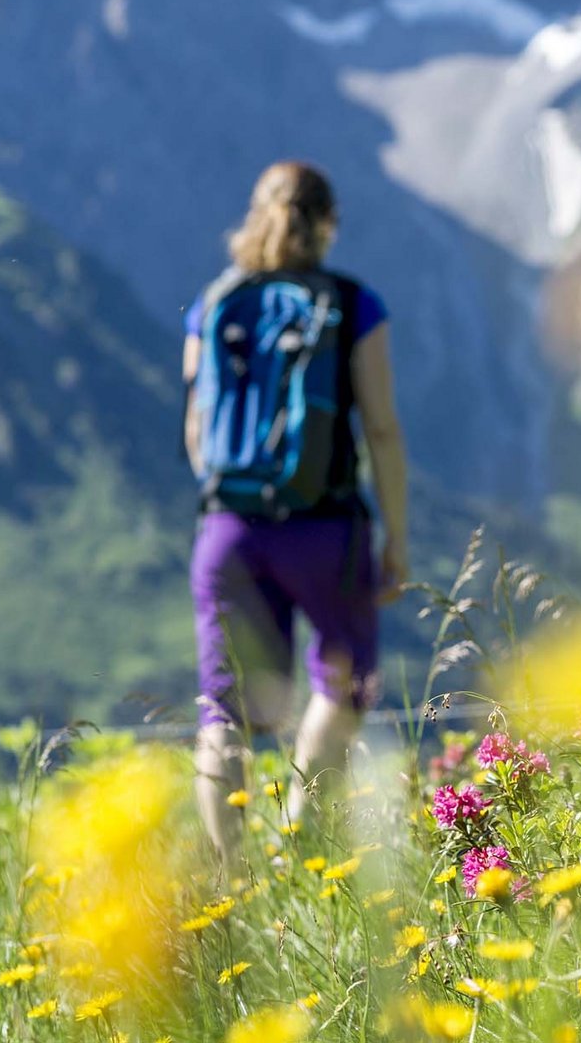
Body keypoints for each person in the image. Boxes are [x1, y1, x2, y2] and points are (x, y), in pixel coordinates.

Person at [182, 161, 409, 861]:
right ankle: (302, 836)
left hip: (229, 531)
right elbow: (380, 428)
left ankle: (231, 881)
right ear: (328, 224)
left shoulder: (213, 305)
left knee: (226, 714)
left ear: (257, 216)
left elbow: (196, 429)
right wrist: (396, 536)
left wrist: (236, 500)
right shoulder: (351, 305)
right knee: (343, 687)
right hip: (326, 528)